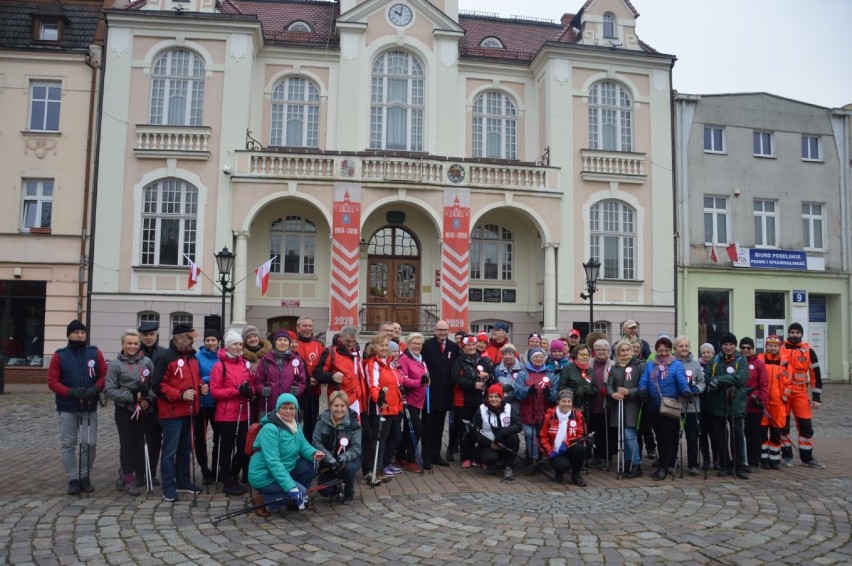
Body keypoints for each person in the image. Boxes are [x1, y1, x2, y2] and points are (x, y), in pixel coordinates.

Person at [48, 320, 108, 495]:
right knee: (68, 443)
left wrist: (96, 389)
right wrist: (70, 392)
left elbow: (104, 374)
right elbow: (52, 382)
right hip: (67, 406)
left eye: (82, 332)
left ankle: (85, 476)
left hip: (89, 406)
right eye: (76, 332)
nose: (80, 335)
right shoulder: (59, 355)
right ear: (69, 335)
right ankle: (73, 479)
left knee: (89, 443)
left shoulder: (94, 353)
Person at [151, 323, 204, 502]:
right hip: (172, 413)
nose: (192, 341)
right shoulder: (165, 357)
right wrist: (180, 395)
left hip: (190, 412)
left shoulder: (192, 357)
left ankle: (183, 481)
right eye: (189, 337)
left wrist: (201, 386)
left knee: (185, 450)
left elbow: (193, 379)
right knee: (169, 452)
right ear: (179, 338)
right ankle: (169, 487)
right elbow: (157, 385)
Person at [248, 393, 325, 515]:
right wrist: (291, 487)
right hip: (264, 475)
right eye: (284, 408)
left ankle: (294, 501)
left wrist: (313, 453)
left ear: (296, 410)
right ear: (278, 409)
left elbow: (303, 445)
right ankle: (262, 499)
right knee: (299, 492)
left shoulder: (296, 425)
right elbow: (273, 462)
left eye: (291, 408)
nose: (288, 412)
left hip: (286, 468)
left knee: (309, 466)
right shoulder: (270, 429)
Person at [104, 329, 156, 496]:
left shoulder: (146, 362)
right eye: (129, 343)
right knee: (127, 445)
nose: (132, 346)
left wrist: (149, 398)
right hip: (125, 410)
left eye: (135, 343)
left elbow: (154, 385)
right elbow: (109, 390)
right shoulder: (115, 365)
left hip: (143, 410)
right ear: (123, 345)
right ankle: (128, 479)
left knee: (140, 444)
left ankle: (136, 473)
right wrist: (130, 397)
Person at [638, 335, 693, 481]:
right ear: (656, 350)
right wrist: (643, 390)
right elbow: (644, 379)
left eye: (666, 350)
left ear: (670, 350)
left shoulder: (676, 365)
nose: (663, 353)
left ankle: (665, 467)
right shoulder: (650, 364)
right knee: (659, 437)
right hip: (653, 406)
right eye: (660, 350)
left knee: (667, 438)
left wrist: (687, 391)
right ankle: (664, 462)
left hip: (669, 407)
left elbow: (681, 381)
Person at [210, 329, 254, 496]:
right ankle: (227, 479)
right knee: (227, 448)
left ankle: (234, 475)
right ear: (228, 346)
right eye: (235, 344)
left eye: (239, 344)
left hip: (243, 413)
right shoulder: (219, 366)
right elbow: (215, 392)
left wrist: (251, 390)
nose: (238, 347)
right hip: (226, 415)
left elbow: (252, 384)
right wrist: (236, 390)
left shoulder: (244, 364)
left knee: (244, 448)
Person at [705, 332, 749, 479]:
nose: (728, 347)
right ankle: (725, 464)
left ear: (734, 345)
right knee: (720, 437)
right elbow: (708, 377)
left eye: (731, 344)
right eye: (725, 345)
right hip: (718, 404)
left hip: (736, 403)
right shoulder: (715, 361)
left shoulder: (741, 360)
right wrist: (716, 381)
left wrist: (719, 380)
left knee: (737, 437)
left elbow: (740, 378)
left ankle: (740, 466)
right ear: (721, 346)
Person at [781, 322, 825, 468]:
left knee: (805, 425)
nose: (794, 335)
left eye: (797, 332)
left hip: (800, 393)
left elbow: (815, 375)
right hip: (784, 393)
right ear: (788, 333)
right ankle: (786, 455)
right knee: (782, 425)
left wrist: (817, 398)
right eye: (792, 332)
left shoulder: (808, 350)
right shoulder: (780, 348)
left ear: (801, 334)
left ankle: (807, 457)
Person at [312, 391, 363, 505]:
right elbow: (317, 443)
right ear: (330, 406)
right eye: (336, 405)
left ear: (346, 406)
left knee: (348, 469)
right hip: (328, 460)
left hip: (349, 459)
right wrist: (330, 459)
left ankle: (348, 492)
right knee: (325, 491)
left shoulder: (354, 424)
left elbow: (356, 448)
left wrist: (343, 457)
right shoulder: (321, 421)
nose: (339, 409)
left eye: (342, 406)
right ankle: (337, 487)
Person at [365, 334, 404, 481]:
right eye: (381, 345)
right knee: (379, 439)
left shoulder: (389, 363)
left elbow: (394, 383)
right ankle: (376, 469)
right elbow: (373, 384)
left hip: (393, 406)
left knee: (385, 439)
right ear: (374, 347)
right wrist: (378, 398)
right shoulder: (373, 363)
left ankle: (381, 467)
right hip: (381, 407)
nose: (384, 348)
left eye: (386, 346)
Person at [452, 335, 495, 468]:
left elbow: (493, 378)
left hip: (480, 401)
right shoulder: (458, 361)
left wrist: (488, 377)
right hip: (463, 401)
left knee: (481, 430)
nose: (471, 347)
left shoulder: (484, 361)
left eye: (473, 345)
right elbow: (455, 378)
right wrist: (473, 384)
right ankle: (466, 457)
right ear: (463, 347)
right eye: (468, 345)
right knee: (465, 430)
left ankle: (480, 457)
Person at [421, 321, 459, 468]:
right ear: (435, 330)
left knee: (439, 426)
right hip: (429, 393)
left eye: (445, 330)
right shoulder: (426, 345)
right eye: (440, 329)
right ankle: (426, 456)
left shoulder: (453, 347)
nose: (443, 332)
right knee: (427, 426)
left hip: (444, 394)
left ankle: (436, 454)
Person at [607, 339, 646, 478]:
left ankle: (636, 465)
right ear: (617, 353)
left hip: (632, 406)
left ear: (631, 350)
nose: (625, 353)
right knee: (623, 436)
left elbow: (643, 387)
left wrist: (629, 392)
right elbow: (609, 386)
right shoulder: (615, 367)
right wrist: (613, 394)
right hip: (619, 406)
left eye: (627, 350)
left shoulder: (640, 366)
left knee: (630, 436)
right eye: (622, 350)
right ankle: (628, 463)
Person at [469, 383, 522, 480]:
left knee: (514, 438)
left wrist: (502, 433)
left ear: (501, 398)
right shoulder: (481, 409)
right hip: (488, 443)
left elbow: (519, 425)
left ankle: (508, 467)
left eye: (496, 396)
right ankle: (491, 464)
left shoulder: (509, 408)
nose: (493, 399)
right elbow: (475, 432)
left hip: (504, 441)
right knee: (490, 458)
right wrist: (490, 443)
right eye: (491, 396)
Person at [513, 347, 556, 466]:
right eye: (536, 357)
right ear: (531, 359)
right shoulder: (523, 373)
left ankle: (540, 457)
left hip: (544, 411)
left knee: (541, 435)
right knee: (529, 435)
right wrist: (527, 391)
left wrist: (550, 394)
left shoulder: (550, 373)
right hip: (528, 411)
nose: (539, 359)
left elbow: (555, 392)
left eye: (541, 357)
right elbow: (518, 390)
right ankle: (533, 459)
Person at [138, 321, 167, 486]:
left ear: (156, 335)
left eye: (151, 334)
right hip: (139, 402)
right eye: (145, 335)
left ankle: (152, 472)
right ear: (141, 336)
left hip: (157, 403)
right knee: (138, 440)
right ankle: (138, 472)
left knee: (155, 440)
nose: (148, 338)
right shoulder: (135, 350)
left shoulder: (163, 353)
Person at [673, 336, 706, 476]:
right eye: (681, 346)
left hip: (692, 406)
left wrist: (696, 389)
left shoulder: (695, 364)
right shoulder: (671, 363)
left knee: (692, 437)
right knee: (674, 436)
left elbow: (702, 382)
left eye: (686, 346)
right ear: (675, 348)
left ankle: (693, 464)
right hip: (675, 405)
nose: (684, 349)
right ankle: (673, 460)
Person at [540, 389, 588, 486]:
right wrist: (549, 451)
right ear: (558, 402)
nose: (566, 404)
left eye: (569, 401)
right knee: (562, 466)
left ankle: (576, 474)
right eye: (563, 401)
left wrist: (566, 443)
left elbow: (582, 435)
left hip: (570, 447)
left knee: (580, 448)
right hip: (555, 451)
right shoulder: (549, 416)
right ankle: (559, 471)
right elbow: (542, 437)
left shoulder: (577, 416)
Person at [396, 332, 428, 473]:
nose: (417, 346)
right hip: (408, 399)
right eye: (414, 343)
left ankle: (400, 456)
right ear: (408, 344)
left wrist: (427, 381)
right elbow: (403, 379)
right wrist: (420, 382)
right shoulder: (405, 358)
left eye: (419, 344)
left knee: (409, 430)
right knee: (418, 428)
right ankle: (410, 459)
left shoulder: (420, 359)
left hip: (419, 400)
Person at [255, 329, 306, 416]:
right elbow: (258, 380)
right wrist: (262, 389)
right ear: (275, 342)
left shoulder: (296, 361)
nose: (283, 343)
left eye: (285, 340)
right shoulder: (265, 360)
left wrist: (298, 390)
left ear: (289, 343)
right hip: (269, 405)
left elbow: (302, 381)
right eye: (279, 340)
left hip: (289, 406)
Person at [758, 335, 791, 470]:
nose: (772, 348)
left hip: (778, 403)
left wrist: (784, 397)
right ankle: (764, 459)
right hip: (764, 402)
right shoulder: (760, 359)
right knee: (762, 432)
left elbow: (789, 382)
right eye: (770, 345)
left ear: (779, 347)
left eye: (775, 346)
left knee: (776, 432)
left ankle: (775, 459)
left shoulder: (785, 362)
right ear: (766, 346)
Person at [195, 328, 221, 486]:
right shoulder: (198, 356)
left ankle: (217, 468)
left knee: (219, 438)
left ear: (218, 342)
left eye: (213, 340)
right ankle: (204, 469)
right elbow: (194, 376)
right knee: (201, 439)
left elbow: (225, 375)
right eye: (208, 340)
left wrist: (209, 379)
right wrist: (204, 381)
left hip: (218, 403)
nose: (210, 343)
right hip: (203, 403)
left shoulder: (223, 357)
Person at [739, 337, 769, 472]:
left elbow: (764, 384)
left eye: (748, 348)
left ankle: (754, 461)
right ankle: (742, 459)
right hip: (739, 403)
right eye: (743, 347)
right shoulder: (737, 362)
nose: (745, 350)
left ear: (752, 349)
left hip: (754, 403)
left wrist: (762, 400)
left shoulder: (759, 363)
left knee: (755, 434)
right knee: (741, 434)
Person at [295, 316, 326, 443]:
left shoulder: (319, 345)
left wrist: (317, 379)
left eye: (310, 326)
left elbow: (323, 366)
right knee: (296, 422)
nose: (308, 329)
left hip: (314, 392)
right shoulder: (293, 344)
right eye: (304, 326)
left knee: (312, 423)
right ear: (297, 328)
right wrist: (308, 380)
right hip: (298, 392)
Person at [558, 344, 596, 422]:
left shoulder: (590, 370)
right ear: (576, 355)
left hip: (586, 407)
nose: (584, 357)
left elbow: (595, 388)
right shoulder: (568, 368)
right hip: (571, 406)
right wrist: (574, 391)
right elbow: (561, 387)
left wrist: (590, 391)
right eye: (582, 354)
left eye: (586, 355)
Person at [698, 343, 716, 470]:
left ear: (713, 354)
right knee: (702, 433)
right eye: (704, 352)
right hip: (701, 402)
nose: (706, 355)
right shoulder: (698, 365)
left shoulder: (716, 364)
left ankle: (717, 458)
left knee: (715, 433)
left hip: (714, 403)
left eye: (709, 352)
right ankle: (706, 458)